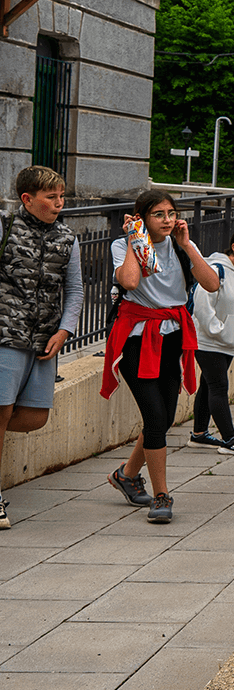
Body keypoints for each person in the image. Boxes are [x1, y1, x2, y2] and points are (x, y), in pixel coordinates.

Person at [102, 190, 220, 524]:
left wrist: (187, 245)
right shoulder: (123, 245)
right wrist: (134, 239)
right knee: (155, 418)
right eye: (158, 214)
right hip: (137, 338)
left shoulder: (180, 246)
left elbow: (212, 284)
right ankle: (161, 495)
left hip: (172, 337)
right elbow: (129, 281)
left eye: (171, 213)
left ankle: (126, 475)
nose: (167, 220)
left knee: (165, 418)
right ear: (142, 217)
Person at [0, 166, 81, 531]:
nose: (59, 203)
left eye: (62, 197)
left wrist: (65, 330)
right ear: (27, 199)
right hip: (6, 334)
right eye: (51, 197)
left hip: (45, 340)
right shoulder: (6, 227)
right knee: (1, 412)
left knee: (35, 417)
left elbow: (75, 290)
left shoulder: (67, 237)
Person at [188, 229, 234, 455]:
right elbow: (202, 305)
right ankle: (231, 439)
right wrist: (220, 330)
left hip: (227, 341)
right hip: (207, 341)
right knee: (219, 387)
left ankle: (199, 434)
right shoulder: (216, 269)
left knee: (208, 385)